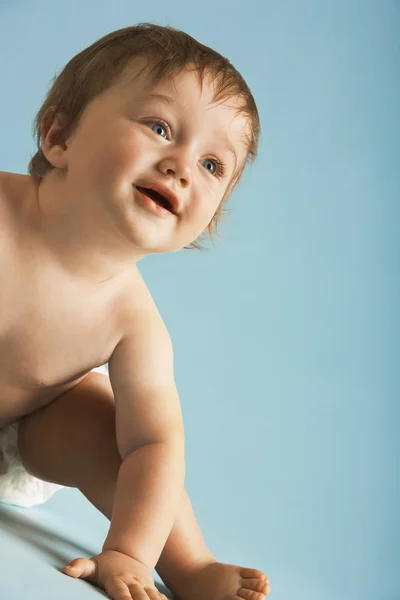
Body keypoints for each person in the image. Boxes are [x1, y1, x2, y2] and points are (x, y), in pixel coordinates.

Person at [0, 23, 270, 600]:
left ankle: (191, 567)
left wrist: (130, 551)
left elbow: (153, 446)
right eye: (160, 127)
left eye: (213, 166)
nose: (181, 166)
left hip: (13, 436)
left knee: (103, 417)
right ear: (59, 136)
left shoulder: (134, 325)